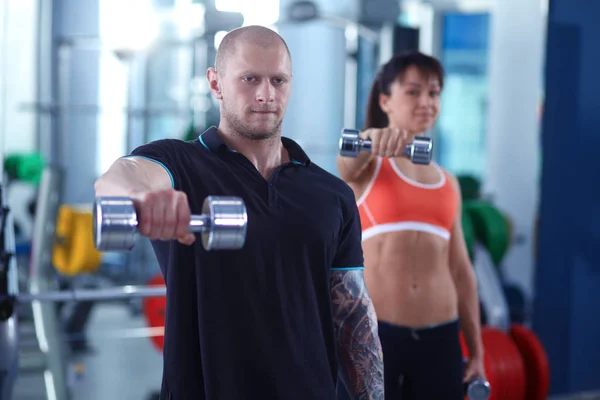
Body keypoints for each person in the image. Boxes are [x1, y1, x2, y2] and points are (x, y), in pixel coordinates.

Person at [95, 25, 385, 400]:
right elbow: (119, 177)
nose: (266, 94)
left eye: (278, 80)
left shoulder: (331, 194)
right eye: (250, 79)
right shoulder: (179, 163)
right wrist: (140, 197)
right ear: (215, 84)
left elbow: (353, 319)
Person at [336, 51, 486, 400]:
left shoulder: (448, 181)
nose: (426, 102)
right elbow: (346, 165)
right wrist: (371, 139)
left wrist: (476, 350)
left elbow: (461, 271)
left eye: (434, 93)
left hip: (441, 337)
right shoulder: (368, 167)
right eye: (414, 91)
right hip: (376, 335)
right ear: (385, 100)